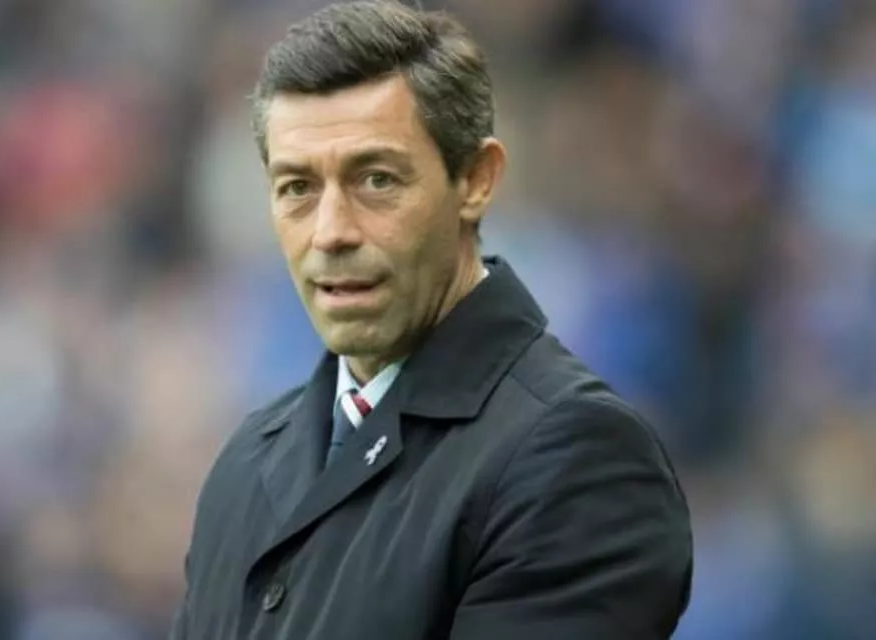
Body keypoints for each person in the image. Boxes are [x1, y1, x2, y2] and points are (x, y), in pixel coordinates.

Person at [171, 2, 692, 638]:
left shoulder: (576, 457)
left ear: (475, 180)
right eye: (297, 188)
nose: (330, 232)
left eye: (376, 180)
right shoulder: (246, 464)